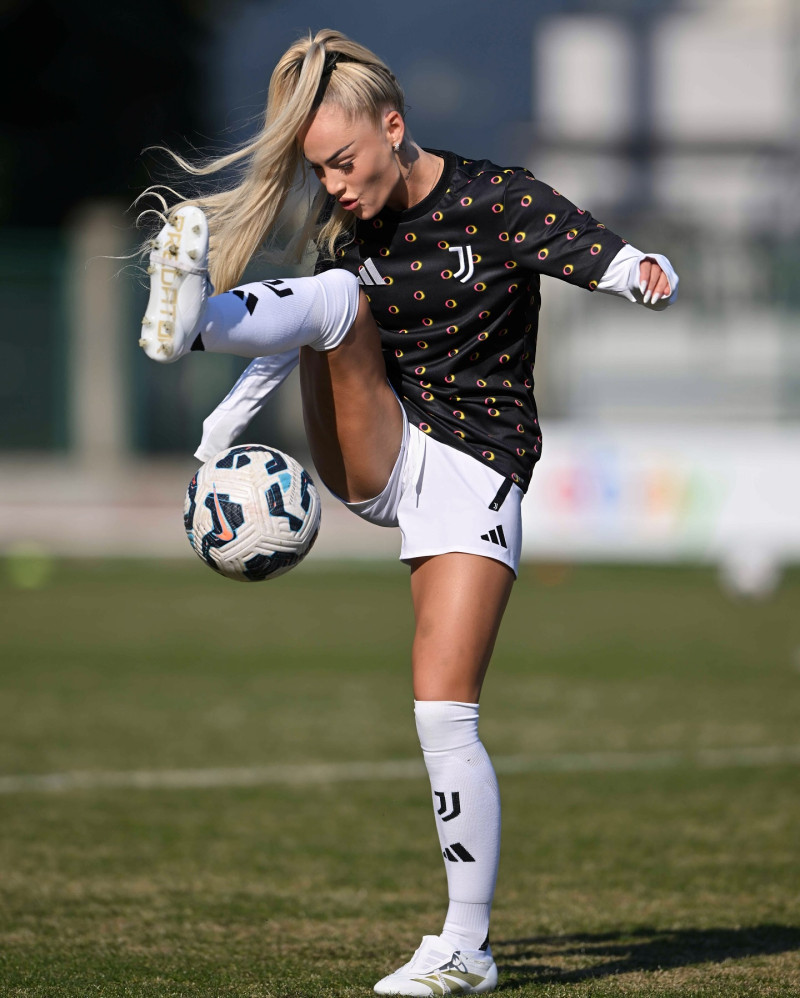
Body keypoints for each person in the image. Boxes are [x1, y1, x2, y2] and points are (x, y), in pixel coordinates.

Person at [137, 28, 678, 996]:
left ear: (393, 127)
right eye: (319, 169)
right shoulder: (349, 237)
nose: (335, 185)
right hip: (380, 447)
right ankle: (197, 320)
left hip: (477, 470)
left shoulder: (493, 198)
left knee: (442, 713)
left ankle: (464, 946)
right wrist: (220, 432)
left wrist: (639, 269)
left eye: (343, 161)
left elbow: (586, 242)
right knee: (335, 294)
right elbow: (301, 326)